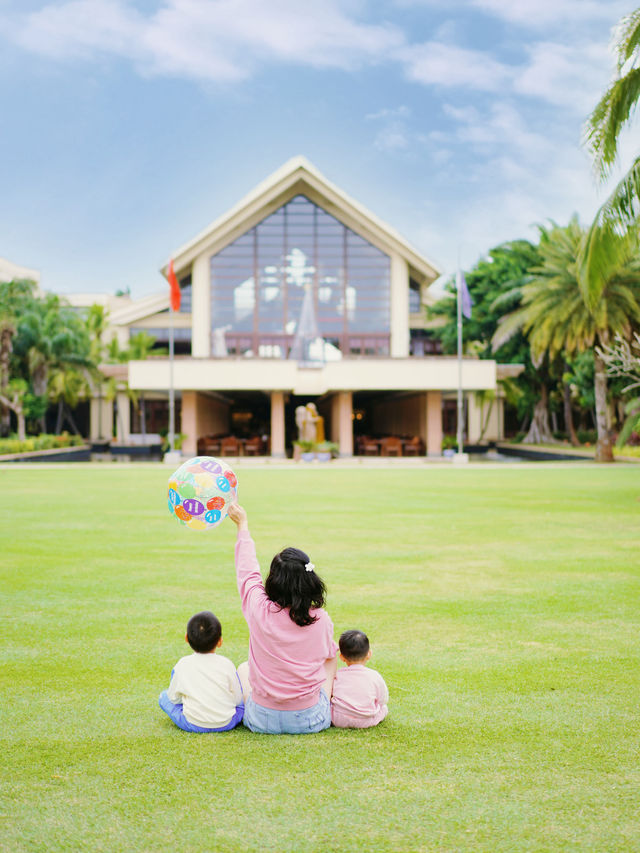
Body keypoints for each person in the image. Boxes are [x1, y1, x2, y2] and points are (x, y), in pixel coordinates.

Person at [227, 503, 338, 734]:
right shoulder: (321, 620)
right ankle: (322, 703)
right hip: (310, 719)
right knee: (331, 657)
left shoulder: (259, 609)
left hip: (261, 719)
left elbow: (247, 571)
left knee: (243, 669)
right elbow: (327, 658)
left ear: (274, 582)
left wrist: (242, 526)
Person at [158, 610, 244, 733]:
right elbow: (237, 699)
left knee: (163, 697)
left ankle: (196, 709)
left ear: (186, 638)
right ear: (220, 641)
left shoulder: (182, 664)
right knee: (242, 705)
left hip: (193, 723)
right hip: (227, 722)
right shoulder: (227, 664)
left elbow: (173, 698)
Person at [330, 629, 389, 729]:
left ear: (342, 657)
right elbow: (383, 699)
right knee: (384, 708)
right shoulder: (374, 676)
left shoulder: (338, 675)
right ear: (369, 654)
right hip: (366, 720)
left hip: (338, 719)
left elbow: (331, 694)